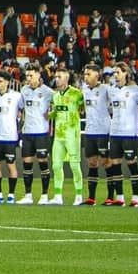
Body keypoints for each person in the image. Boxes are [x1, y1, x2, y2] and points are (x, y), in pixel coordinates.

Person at [48, 67, 85, 206]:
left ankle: (79, 195)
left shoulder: (77, 94)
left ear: (66, 78)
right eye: (56, 77)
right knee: (56, 166)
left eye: (59, 77)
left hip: (72, 135)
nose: (56, 79)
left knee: (75, 166)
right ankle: (58, 196)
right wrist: (48, 115)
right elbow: (55, 113)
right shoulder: (55, 96)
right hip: (58, 136)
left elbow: (82, 110)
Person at [106, 66, 138, 206]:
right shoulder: (111, 90)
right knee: (115, 164)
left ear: (125, 73)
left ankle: (135, 198)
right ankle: (120, 197)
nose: (116, 75)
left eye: (118, 72)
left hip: (129, 133)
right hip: (115, 133)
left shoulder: (135, 90)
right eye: (114, 73)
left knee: (131, 163)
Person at [16, 66, 52, 204]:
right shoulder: (24, 90)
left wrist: (51, 114)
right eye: (27, 76)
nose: (28, 79)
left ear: (38, 75)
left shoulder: (47, 92)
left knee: (43, 163)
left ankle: (44, 195)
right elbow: (20, 108)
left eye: (31, 76)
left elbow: (57, 104)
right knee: (27, 164)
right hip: (27, 133)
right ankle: (28, 195)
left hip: (41, 133)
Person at [0, 71, 21, 204]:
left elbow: (23, 110)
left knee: (11, 166)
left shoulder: (16, 96)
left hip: (10, 137)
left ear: (7, 82)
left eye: (0, 81)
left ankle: (11, 195)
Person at [79, 64, 110, 206]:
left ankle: (111, 197)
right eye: (85, 74)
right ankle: (91, 197)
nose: (85, 77)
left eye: (88, 74)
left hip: (103, 131)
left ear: (97, 75)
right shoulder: (83, 90)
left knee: (106, 162)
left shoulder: (106, 89)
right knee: (92, 163)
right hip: (90, 131)